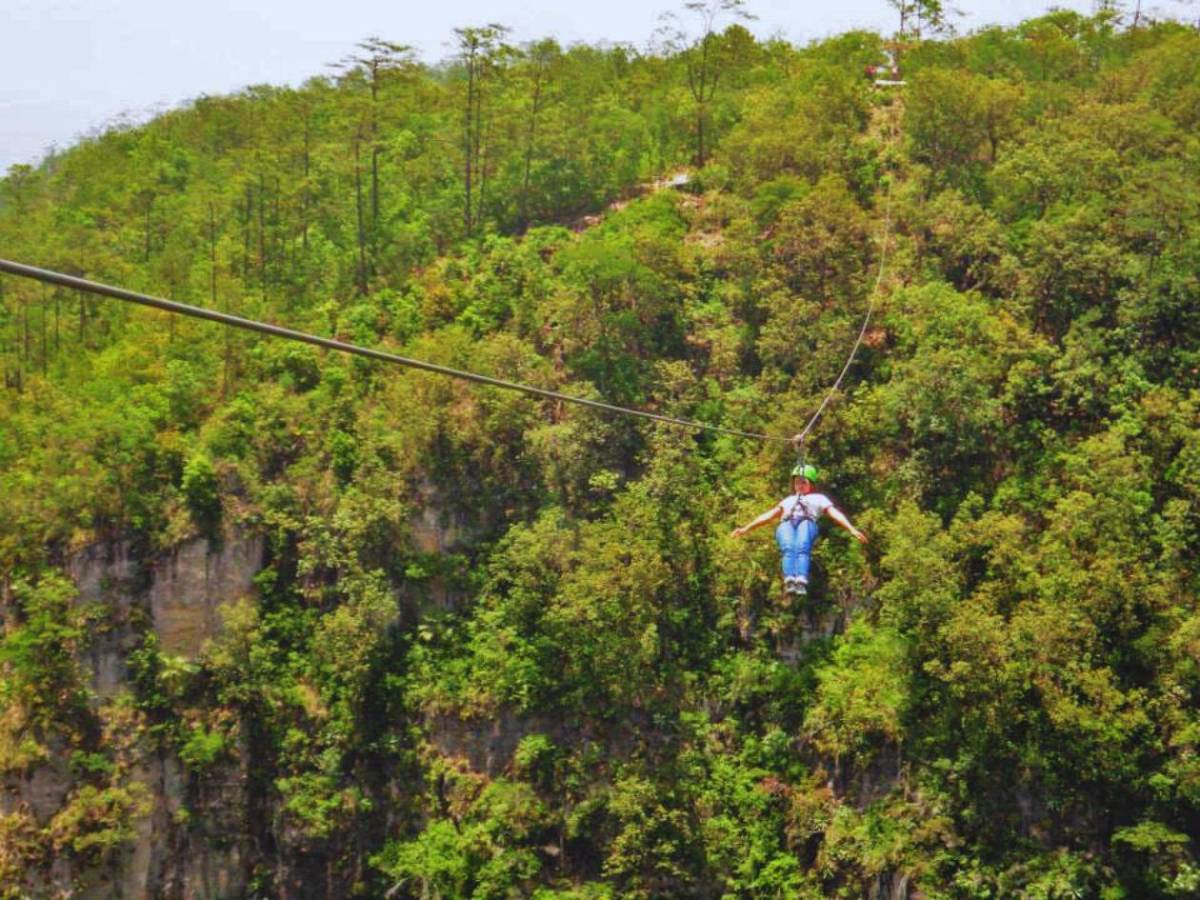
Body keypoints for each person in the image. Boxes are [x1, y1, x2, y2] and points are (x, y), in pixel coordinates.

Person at [730, 464, 868, 595]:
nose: (800, 486)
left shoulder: (819, 498)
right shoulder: (788, 500)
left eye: (804, 482)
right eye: (797, 482)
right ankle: (790, 578)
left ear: (811, 485)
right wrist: (745, 528)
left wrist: (851, 528)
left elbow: (834, 513)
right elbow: (769, 516)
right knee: (788, 548)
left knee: (801, 546)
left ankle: (801, 578)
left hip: (807, 523)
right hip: (787, 523)